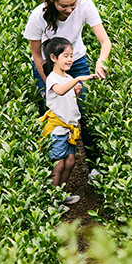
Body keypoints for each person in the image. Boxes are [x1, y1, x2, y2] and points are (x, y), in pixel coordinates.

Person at [23, 0, 110, 183]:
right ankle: (48, 175)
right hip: (48, 66)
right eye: (64, 6)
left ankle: (94, 168)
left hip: (76, 61)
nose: (70, 10)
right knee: (53, 116)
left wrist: (101, 62)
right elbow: (36, 55)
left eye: (73, 4)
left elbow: (105, 42)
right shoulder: (38, 16)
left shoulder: (86, 6)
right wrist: (52, 83)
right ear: (52, 1)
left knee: (86, 112)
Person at [39, 37, 97, 212]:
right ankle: (52, 201)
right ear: (53, 58)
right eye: (65, 56)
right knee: (59, 164)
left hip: (69, 128)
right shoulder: (53, 78)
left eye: (71, 55)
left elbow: (69, 102)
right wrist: (77, 79)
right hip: (57, 129)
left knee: (70, 161)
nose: (70, 59)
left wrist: (76, 93)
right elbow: (59, 91)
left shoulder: (68, 77)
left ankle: (60, 194)